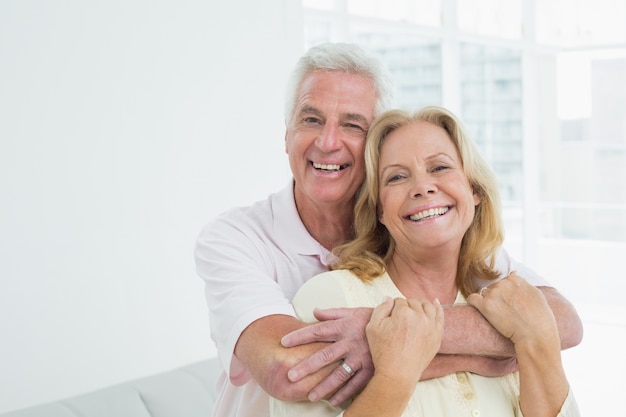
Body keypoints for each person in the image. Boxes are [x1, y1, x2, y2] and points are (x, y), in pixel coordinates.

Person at [194, 43, 583, 417]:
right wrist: (502, 347)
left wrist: (390, 333)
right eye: (311, 119)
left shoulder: (447, 245)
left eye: (351, 124)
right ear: (286, 134)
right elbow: (292, 368)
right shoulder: (236, 239)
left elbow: (560, 321)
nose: (327, 142)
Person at [270, 106, 580, 416]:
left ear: (474, 189)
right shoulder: (328, 300)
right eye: (397, 176)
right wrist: (393, 377)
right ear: (379, 210)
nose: (422, 187)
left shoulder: (512, 302)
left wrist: (535, 342)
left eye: (440, 167)